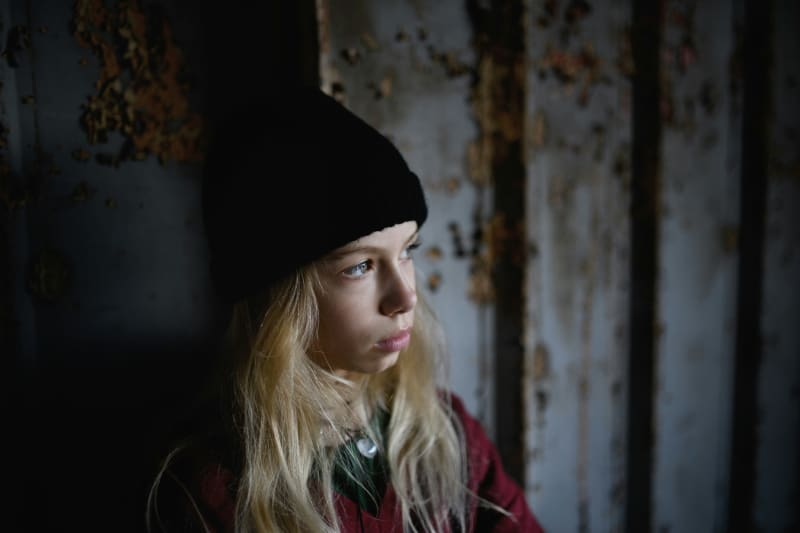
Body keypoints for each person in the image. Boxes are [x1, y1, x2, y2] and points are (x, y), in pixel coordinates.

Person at [147, 87, 543, 532]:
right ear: (278, 302)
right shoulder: (215, 490)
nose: (406, 297)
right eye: (360, 266)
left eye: (408, 250)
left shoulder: (444, 434)